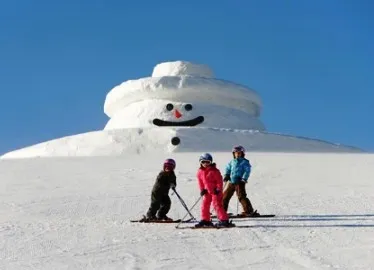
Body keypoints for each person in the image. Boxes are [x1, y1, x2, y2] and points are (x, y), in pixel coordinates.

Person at [195, 153, 233, 227]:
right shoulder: (200, 172)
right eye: (203, 162)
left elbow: (219, 181)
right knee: (204, 205)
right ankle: (206, 220)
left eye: (208, 162)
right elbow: (200, 182)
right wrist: (202, 189)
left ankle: (224, 220)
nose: (205, 164)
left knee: (217, 205)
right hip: (207, 191)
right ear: (200, 162)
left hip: (215, 192)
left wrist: (218, 189)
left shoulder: (215, 171)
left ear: (211, 162)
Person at [223, 145, 259, 216]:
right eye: (236, 153)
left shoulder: (245, 162)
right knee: (225, 196)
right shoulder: (232, 162)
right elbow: (228, 168)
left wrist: (244, 178)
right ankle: (222, 211)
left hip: (239, 182)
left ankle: (248, 211)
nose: (237, 154)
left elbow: (247, 171)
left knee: (241, 196)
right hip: (231, 181)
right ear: (233, 154)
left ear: (242, 153)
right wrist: (227, 175)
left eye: (239, 153)